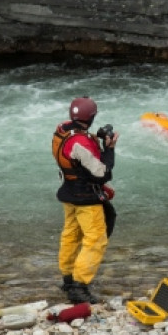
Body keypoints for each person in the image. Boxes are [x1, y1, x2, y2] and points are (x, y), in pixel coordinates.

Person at [52, 96, 118, 304]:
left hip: (68, 192)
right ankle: (79, 286)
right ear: (90, 117)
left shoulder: (62, 129)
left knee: (70, 234)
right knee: (96, 239)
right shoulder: (80, 143)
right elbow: (102, 174)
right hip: (85, 198)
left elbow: (75, 155)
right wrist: (109, 149)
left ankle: (68, 278)